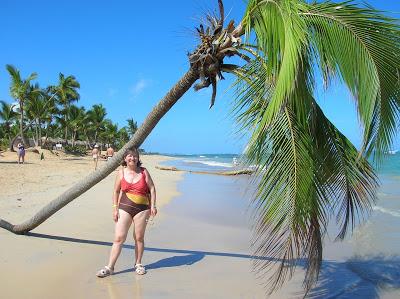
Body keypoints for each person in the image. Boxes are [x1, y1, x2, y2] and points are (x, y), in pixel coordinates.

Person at [96, 148, 157, 277]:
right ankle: (110, 267)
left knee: (139, 238)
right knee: (119, 238)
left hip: (142, 209)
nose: (132, 158)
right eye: (129, 156)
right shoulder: (121, 172)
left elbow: (151, 188)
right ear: (125, 158)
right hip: (124, 207)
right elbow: (116, 191)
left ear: (138, 158)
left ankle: (138, 264)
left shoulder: (144, 171)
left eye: (135, 156)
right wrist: (114, 208)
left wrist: (153, 205)